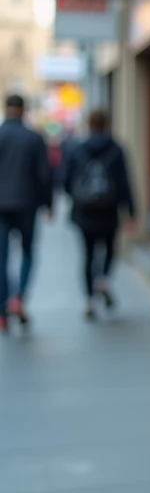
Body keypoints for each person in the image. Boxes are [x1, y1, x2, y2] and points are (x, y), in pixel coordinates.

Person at [62, 108, 136, 320]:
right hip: (109, 209)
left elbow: (66, 180)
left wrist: (76, 196)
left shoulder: (77, 148)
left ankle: (89, 300)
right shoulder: (116, 149)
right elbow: (124, 182)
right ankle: (102, 279)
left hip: (84, 210)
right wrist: (131, 211)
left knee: (87, 254)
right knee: (110, 249)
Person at [0, 95, 53, 333]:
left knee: (1, 258)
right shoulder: (34, 138)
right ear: (24, 110)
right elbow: (44, 174)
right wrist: (49, 204)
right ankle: (18, 297)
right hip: (27, 204)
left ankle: (2, 311)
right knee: (28, 252)